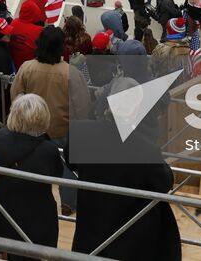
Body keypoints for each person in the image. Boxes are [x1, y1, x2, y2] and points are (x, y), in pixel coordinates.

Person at [68, 76, 182, 260]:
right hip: (127, 239)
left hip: (90, 231)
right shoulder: (145, 149)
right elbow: (164, 183)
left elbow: (70, 162)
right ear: (136, 110)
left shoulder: (79, 132)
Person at [0, 93, 66, 248]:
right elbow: (57, 174)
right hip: (37, 215)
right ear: (43, 117)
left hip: (3, 209)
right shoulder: (48, 149)